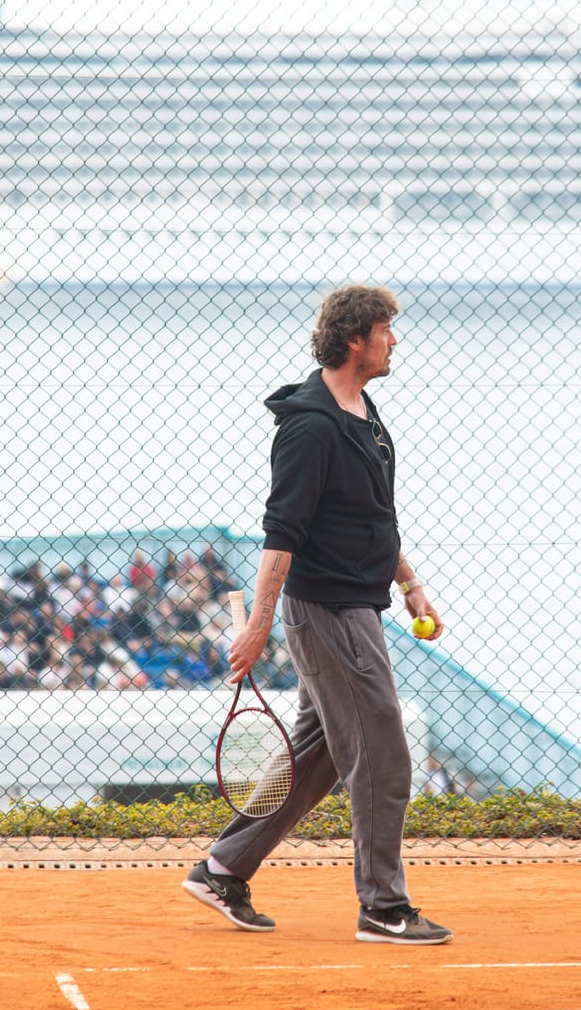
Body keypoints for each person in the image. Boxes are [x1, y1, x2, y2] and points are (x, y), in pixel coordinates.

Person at [182, 283, 452, 946]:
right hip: (329, 610)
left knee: (320, 756)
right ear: (356, 339)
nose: (396, 340)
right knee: (384, 755)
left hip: (359, 601)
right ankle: (383, 907)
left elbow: (372, 517)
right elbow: (283, 532)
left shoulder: (363, 410)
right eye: (387, 330)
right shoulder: (309, 426)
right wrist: (257, 624)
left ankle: (222, 868)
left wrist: (410, 583)